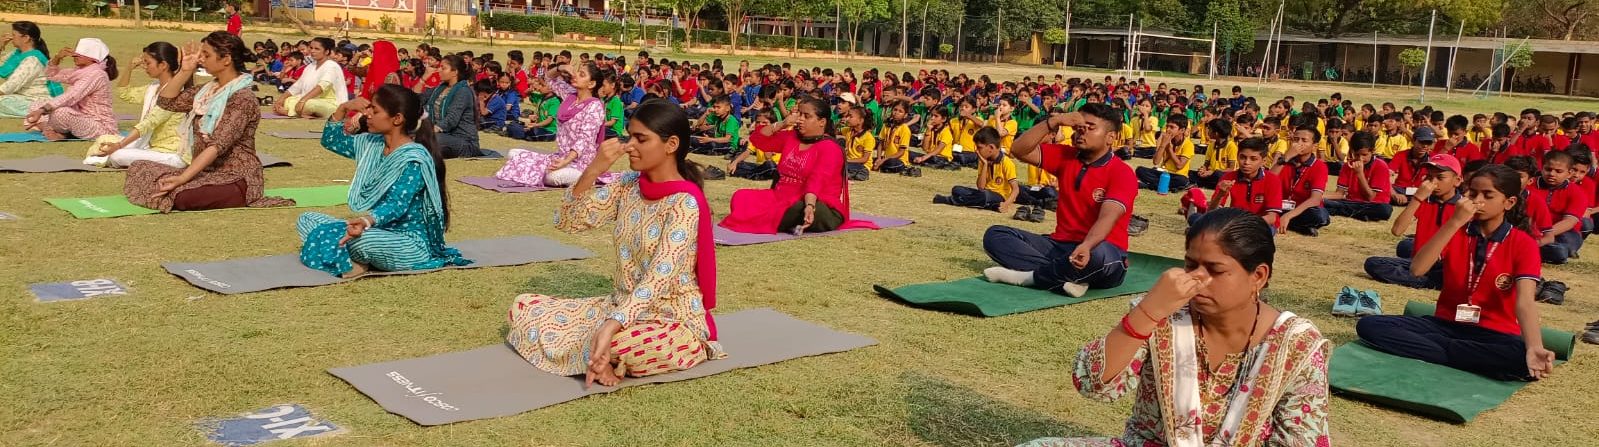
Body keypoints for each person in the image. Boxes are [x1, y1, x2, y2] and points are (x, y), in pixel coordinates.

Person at [1017, 208, 1330, 447]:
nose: (1196, 278)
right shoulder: (1163, 312)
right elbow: (1095, 385)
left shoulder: (1296, 344)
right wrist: (1148, 311)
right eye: (1191, 264)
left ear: (1258, 276)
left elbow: (1301, 439)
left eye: (1215, 270)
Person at [507, 99, 725, 387]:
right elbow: (567, 221)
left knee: (620, 343)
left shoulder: (685, 203)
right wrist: (593, 169)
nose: (629, 145)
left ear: (671, 144)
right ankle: (602, 355)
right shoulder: (629, 184)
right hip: (619, 304)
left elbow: (658, 277)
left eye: (641, 138)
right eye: (629, 136)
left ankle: (609, 353)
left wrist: (613, 324)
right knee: (523, 306)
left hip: (670, 318)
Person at [1355, 164, 1555, 382]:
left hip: (1493, 332)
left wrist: (1534, 347)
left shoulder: (1522, 243)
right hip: (1446, 324)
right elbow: (1417, 269)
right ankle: (1459, 356)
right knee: (1370, 325)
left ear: (1509, 202)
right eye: (1473, 193)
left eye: (1488, 195)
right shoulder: (1458, 230)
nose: (1477, 201)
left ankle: (1442, 353)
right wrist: (1455, 221)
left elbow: (1525, 302)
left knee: (1518, 354)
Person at [297, 87, 469, 278]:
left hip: (407, 243)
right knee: (306, 219)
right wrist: (344, 108)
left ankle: (355, 259)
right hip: (379, 229)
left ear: (397, 119)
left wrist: (365, 221)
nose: (367, 114)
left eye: (375, 110)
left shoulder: (413, 158)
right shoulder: (371, 144)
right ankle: (355, 256)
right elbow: (331, 141)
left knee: (362, 241)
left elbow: (396, 204)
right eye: (369, 108)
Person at [124, 32, 293, 212]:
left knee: (182, 196)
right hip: (203, 171)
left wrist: (183, 178)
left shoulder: (242, 98)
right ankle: (180, 187)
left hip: (236, 177)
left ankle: (183, 190)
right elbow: (166, 102)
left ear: (226, 59)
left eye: (206, 54)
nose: (200, 59)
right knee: (138, 167)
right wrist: (185, 70)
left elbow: (216, 146)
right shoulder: (206, 91)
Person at [982, 104, 1137, 298]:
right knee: (996, 235)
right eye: (1080, 126)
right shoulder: (1066, 156)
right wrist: (1053, 121)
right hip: (1060, 246)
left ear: (1110, 137)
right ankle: (1069, 277)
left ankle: (1029, 277)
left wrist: (1087, 245)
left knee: (1099, 255)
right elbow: (1018, 150)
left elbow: (1108, 217)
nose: (1082, 132)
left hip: (1101, 249)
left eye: (1090, 127)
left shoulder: (1121, 173)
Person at [719, 95, 878, 235]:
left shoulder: (830, 147)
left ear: (821, 122)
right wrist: (782, 123)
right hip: (781, 197)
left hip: (817, 203)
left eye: (806, 116)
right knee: (741, 197)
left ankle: (778, 217)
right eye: (799, 114)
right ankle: (776, 217)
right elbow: (757, 139)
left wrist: (809, 205)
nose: (800, 119)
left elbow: (817, 180)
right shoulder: (792, 137)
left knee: (795, 209)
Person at [495, 63, 610, 187]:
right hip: (562, 156)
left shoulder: (595, 106)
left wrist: (565, 161)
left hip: (582, 162)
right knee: (513, 153)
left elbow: (584, 140)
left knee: (552, 177)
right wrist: (561, 68)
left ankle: (588, 178)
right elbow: (548, 79)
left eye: (581, 75)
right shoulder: (570, 95)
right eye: (577, 72)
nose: (576, 75)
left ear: (591, 84)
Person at [87, 42, 186, 169]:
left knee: (117, 155)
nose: (145, 67)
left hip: (169, 152)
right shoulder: (153, 87)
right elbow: (124, 93)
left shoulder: (175, 91)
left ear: (163, 65)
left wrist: (119, 145)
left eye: (148, 63)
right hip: (150, 144)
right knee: (104, 140)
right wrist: (129, 67)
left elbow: (148, 123)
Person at [22, 38, 118, 141]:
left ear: (92, 58)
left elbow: (71, 96)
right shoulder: (79, 71)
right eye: (75, 53)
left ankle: (57, 131)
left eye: (79, 54)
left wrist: (42, 111)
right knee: (36, 104)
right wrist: (57, 58)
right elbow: (52, 75)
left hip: (100, 126)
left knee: (60, 113)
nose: (74, 55)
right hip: (79, 116)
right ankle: (50, 129)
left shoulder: (97, 75)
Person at [1183, 137, 1282, 228]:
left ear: (1263, 161)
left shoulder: (1272, 180)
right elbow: (1212, 212)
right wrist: (1220, 195)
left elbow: (1271, 217)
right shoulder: (1228, 177)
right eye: (1242, 157)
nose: (1246, 162)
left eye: (1253, 159)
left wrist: (1243, 224)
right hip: (1234, 221)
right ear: (1237, 156)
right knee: (1196, 218)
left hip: (1260, 223)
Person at [411, 54, 483, 158]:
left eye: (443, 68)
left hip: (463, 140)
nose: (439, 70)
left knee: (429, 139)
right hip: (443, 135)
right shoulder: (439, 88)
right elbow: (417, 100)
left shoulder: (463, 91)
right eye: (439, 67)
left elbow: (451, 119)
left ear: (455, 72)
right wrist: (423, 79)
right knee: (407, 133)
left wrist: (427, 132)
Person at [933, 127, 1019, 213]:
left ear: (991, 148)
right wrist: (985, 165)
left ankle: (950, 200)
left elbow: (1016, 189)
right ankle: (989, 205)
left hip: (1000, 196)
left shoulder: (1006, 163)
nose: (976, 151)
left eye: (979, 147)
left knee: (984, 196)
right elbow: (981, 187)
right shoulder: (983, 161)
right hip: (983, 193)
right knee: (957, 189)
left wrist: (1006, 204)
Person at [1531, 149, 1589, 264]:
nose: (1552, 174)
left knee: (1559, 251)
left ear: (1569, 173)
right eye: (1548, 169)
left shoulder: (1577, 193)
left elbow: (1569, 222)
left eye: (1558, 171)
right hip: (1532, 229)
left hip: (1564, 233)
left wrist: (1544, 235)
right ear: (1541, 168)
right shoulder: (1530, 185)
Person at [1323, 132, 1394, 222]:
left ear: (1372, 151)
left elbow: (1370, 197)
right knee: (1324, 202)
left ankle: (1350, 212)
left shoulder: (1381, 165)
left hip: (1372, 204)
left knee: (1385, 210)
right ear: (1352, 151)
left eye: (1364, 155)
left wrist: (1360, 174)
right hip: (1351, 202)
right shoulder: (1347, 166)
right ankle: (1360, 214)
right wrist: (1320, 196)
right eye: (1357, 155)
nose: (1360, 159)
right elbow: (1340, 194)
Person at [1274, 128, 1330, 236]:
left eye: (1304, 140)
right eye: (1296, 139)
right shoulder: (1284, 161)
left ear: (1314, 146)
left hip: (1302, 208)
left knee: (1321, 216)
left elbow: (1315, 199)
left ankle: (1287, 222)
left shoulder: (1319, 166)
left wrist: (1289, 216)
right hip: (1281, 205)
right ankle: (1300, 227)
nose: (1298, 144)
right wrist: (1286, 158)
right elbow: (1267, 181)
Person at [276, 37, 347, 119]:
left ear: (326, 51)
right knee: (288, 100)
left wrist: (303, 100)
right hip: (312, 99)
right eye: (311, 48)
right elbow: (298, 85)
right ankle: (298, 111)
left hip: (331, 103)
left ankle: (290, 112)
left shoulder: (332, 66)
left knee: (309, 105)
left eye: (317, 49)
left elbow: (321, 86)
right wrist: (281, 99)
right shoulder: (310, 66)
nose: (312, 51)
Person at [0, 21, 60, 118]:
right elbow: (2, 63)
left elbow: (10, 85)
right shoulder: (17, 53)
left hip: (35, 100)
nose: (11, 38)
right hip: (20, 96)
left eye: (14, 35)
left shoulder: (32, 60)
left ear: (26, 38)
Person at [1134, 114, 1195, 192]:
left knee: (1182, 180)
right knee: (1140, 170)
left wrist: (1169, 148)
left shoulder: (1188, 144)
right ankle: (1163, 186)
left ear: (1182, 130)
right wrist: (1163, 145)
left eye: (1172, 127)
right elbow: (1156, 162)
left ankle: (1150, 185)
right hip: (1163, 173)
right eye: (1167, 126)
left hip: (1177, 176)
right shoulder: (1165, 140)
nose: (1168, 129)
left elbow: (1179, 165)